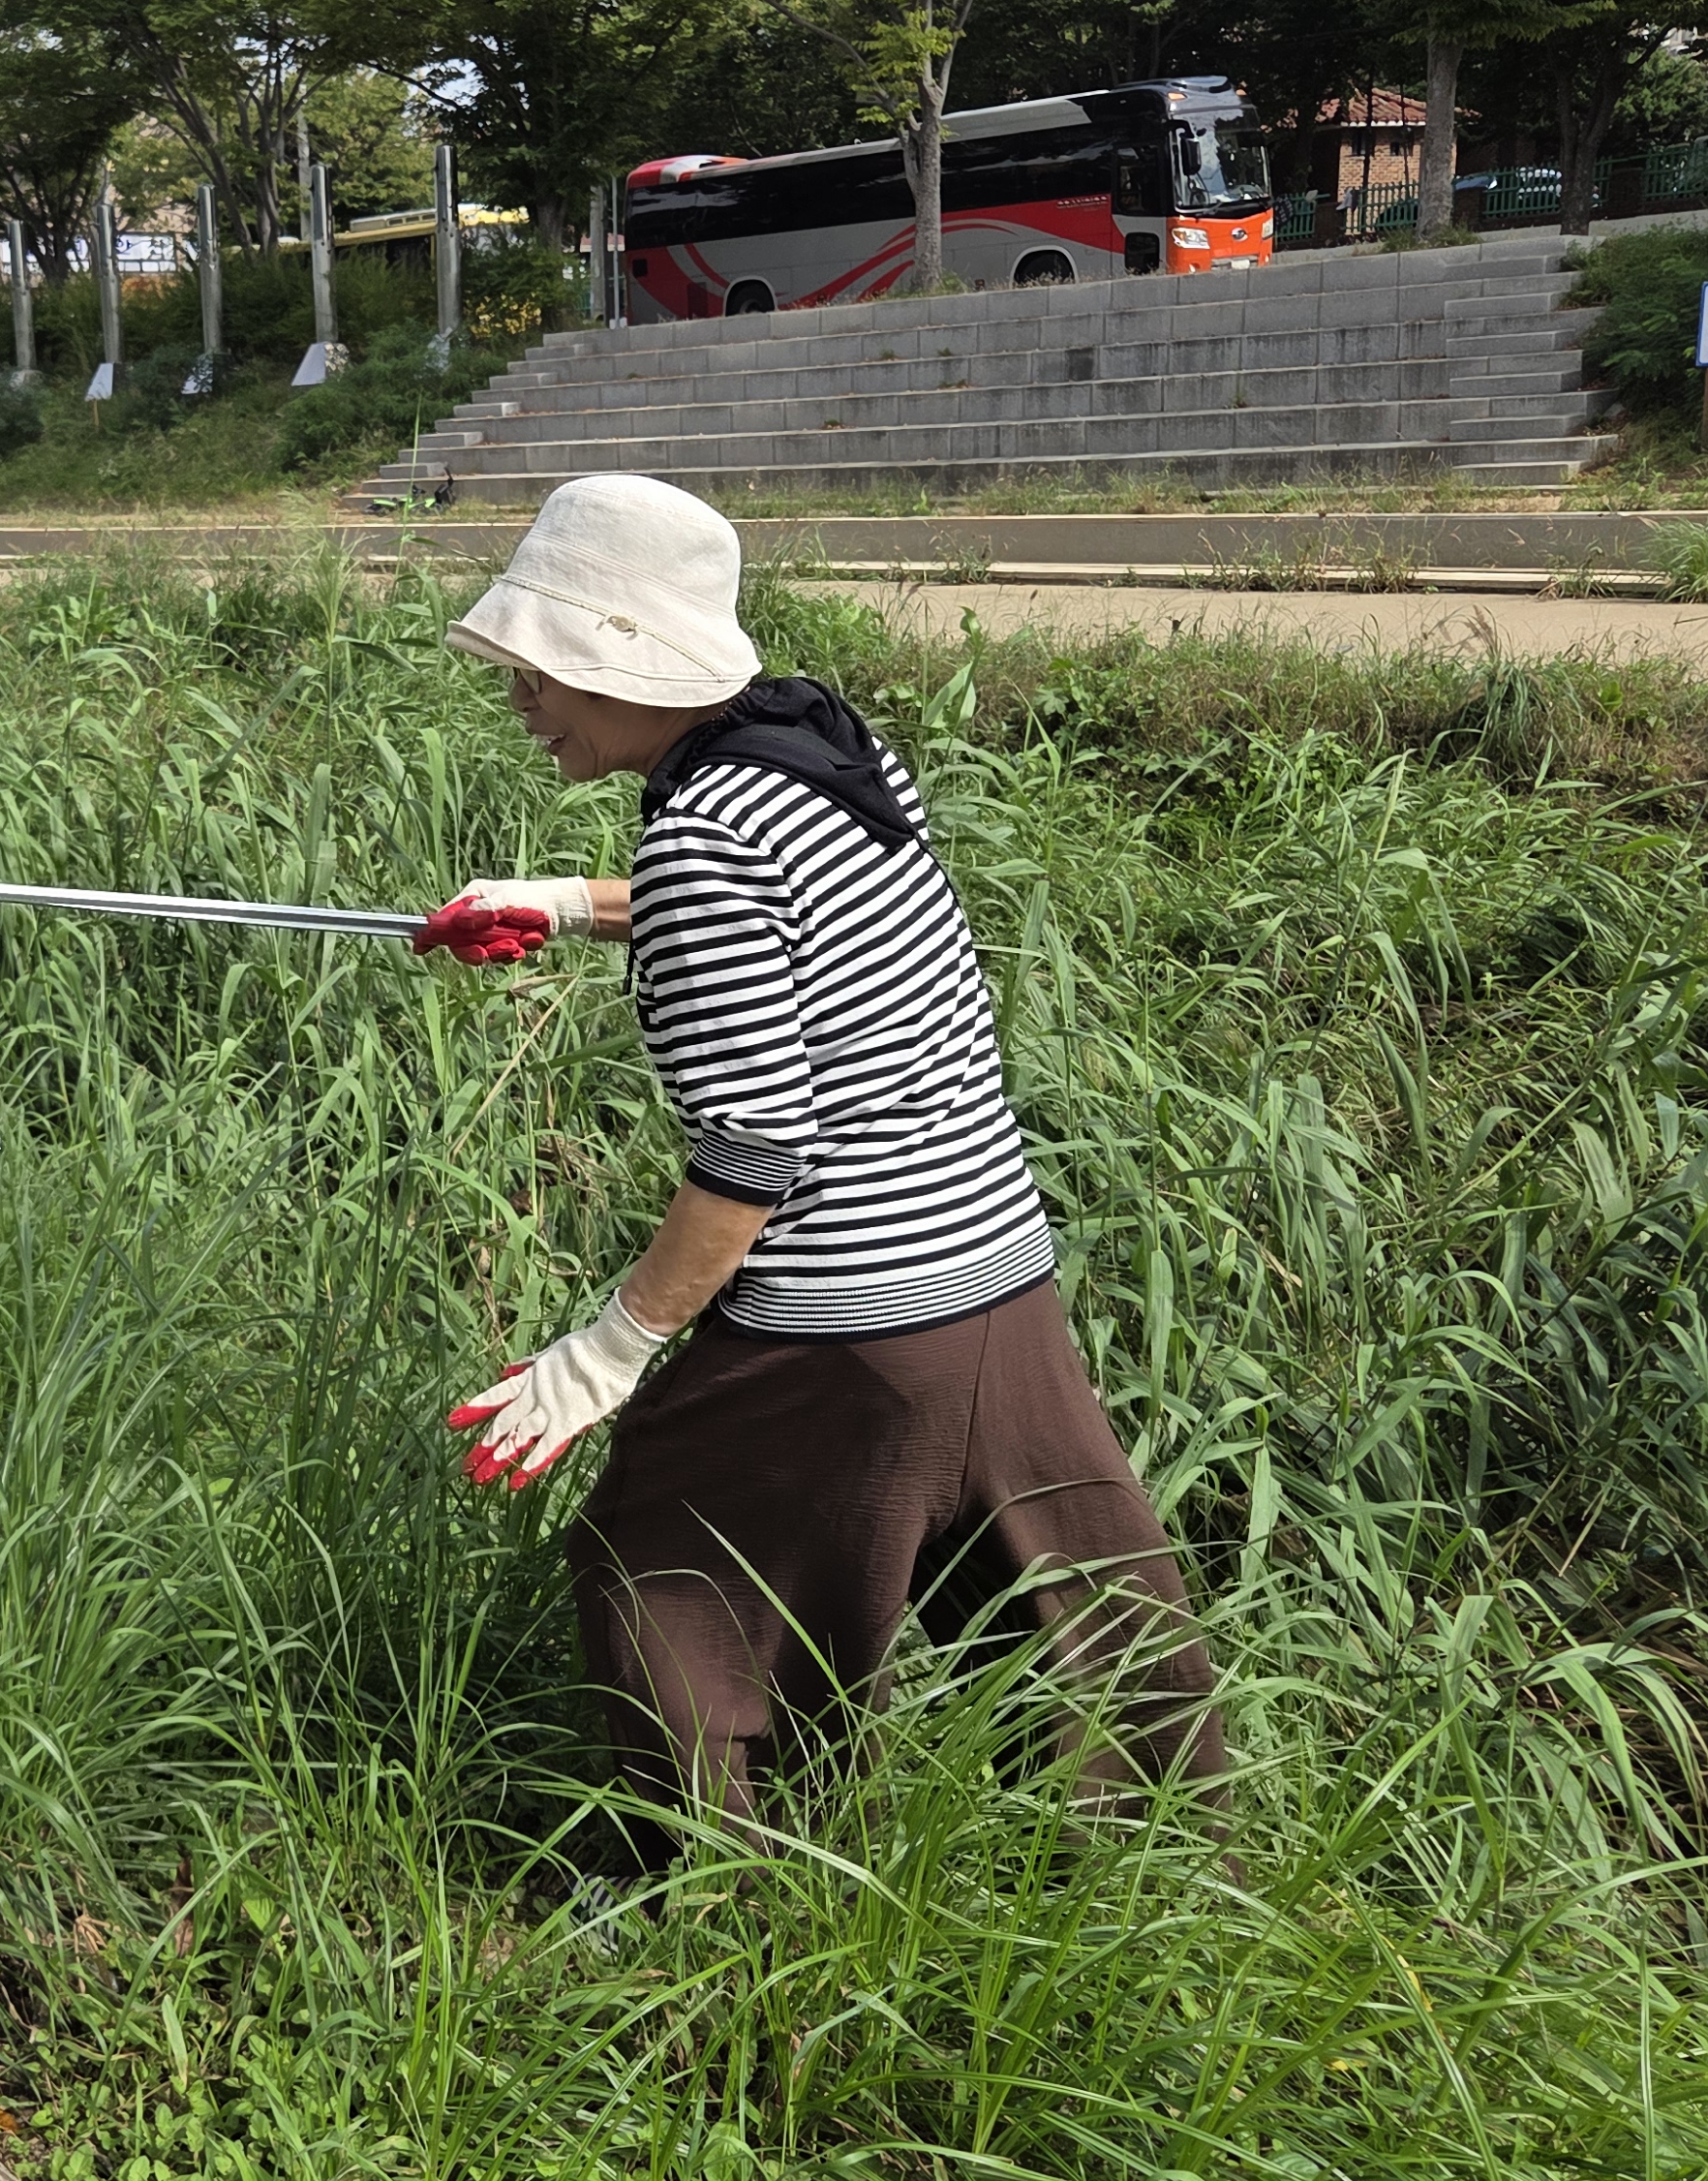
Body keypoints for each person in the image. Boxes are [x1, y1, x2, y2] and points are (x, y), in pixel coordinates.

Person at [415, 474, 1224, 1870]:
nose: (524, 700)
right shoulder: (817, 751)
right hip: (990, 1271)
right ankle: (1176, 1862)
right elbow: (777, 915)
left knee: (659, 1563)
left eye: (543, 671)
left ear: (622, 665)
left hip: (846, 1316)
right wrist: (560, 902)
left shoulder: (701, 841)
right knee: (1063, 1588)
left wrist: (611, 1350)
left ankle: (726, 1883)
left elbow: (754, 1151)